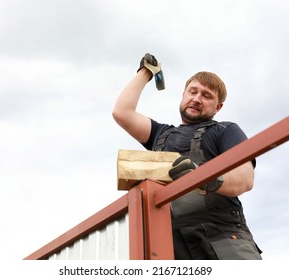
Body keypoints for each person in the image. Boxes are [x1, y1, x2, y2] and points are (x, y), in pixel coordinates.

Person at [112, 53, 262, 260]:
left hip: (223, 237)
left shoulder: (225, 130)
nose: (197, 99)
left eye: (207, 96)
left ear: (218, 107)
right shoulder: (159, 134)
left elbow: (245, 178)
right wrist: (146, 72)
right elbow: (122, 112)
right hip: (171, 244)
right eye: (193, 91)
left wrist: (207, 178)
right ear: (183, 94)